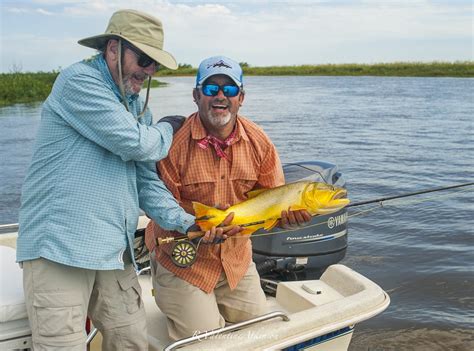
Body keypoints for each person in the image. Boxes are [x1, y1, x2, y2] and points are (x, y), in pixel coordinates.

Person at [16, 10, 237, 351]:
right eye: (145, 59)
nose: (149, 71)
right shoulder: (79, 82)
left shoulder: (137, 111)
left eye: (155, 65)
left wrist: (189, 222)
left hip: (111, 250)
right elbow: (136, 142)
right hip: (59, 247)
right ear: (114, 49)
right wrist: (169, 127)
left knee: (131, 339)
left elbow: (146, 182)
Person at [144, 55, 311, 340]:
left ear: (241, 97)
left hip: (236, 263)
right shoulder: (172, 144)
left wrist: (291, 220)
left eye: (229, 90)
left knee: (267, 336)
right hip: (183, 264)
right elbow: (158, 207)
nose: (220, 96)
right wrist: (197, 225)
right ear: (196, 95)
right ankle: (169, 292)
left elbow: (275, 203)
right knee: (207, 342)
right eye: (211, 89)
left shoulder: (260, 142)